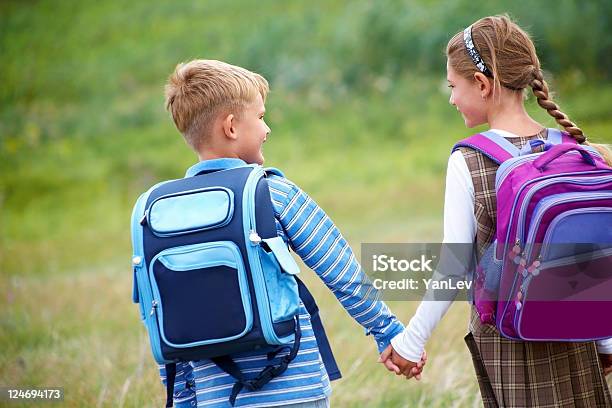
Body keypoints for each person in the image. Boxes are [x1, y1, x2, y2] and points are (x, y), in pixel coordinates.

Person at [157, 59, 424, 407]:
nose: (267, 129)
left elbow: (162, 316)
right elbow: (341, 270)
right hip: (294, 387)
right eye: (261, 117)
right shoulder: (271, 193)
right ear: (232, 126)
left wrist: (182, 398)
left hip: (215, 396)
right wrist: (388, 332)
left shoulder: (162, 214)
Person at [380, 15, 612, 406]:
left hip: (511, 347)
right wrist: (606, 342)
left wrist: (410, 341)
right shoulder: (576, 152)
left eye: (453, 86)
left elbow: (453, 266)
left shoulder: (468, 161)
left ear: (483, 85)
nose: (452, 98)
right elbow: (594, 264)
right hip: (578, 345)